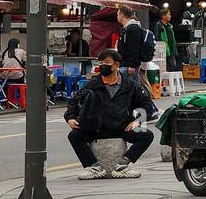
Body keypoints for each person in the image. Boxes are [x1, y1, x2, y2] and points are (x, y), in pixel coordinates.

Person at [64, 48, 156, 179]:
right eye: (100, 62)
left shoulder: (130, 85)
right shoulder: (93, 84)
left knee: (147, 136)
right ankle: (94, 167)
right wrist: (70, 118)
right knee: (74, 136)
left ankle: (122, 166)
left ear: (117, 65)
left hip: (121, 126)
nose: (103, 65)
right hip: (97, 128)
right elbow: (74, 101)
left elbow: (146, 105)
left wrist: (138, 121)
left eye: (107, 62)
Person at [115, 6, 151, 73]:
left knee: (132, 83)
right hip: (125, 65)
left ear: (121, 14)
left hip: (128, 66)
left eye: (117, 14)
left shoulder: (133, 28)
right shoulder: (126, 28)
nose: (117, 16)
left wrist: (132, 66)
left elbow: (134, 48)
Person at [155, 8, 180, 72]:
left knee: (173, 65)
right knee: (164, 66)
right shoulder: (159, 26)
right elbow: (157, 37)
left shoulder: (170, 26)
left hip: (171, 49)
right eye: (168, 14)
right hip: (162, 49)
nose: (170, 16)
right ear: (163, 16)